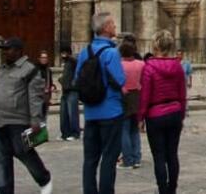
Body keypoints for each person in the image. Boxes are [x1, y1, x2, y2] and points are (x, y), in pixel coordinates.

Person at [0, 37, 51, 194]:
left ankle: (43, 178)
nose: (5, 53)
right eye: (3, 50)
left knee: (24, 152)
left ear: (18, 51)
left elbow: (35, 98)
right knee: (2, 157)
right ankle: (3, 189)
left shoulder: (29, 70)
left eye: (8, 49)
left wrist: (36, 121)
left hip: (18, 120)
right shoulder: (1, 70)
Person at [74, 12, 127, 194]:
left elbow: (77, 80)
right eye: (112, 24)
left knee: (90, 159)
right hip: (111, 112)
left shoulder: (85, 52)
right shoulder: (112, 52)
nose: (114, 26)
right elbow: (120, 80)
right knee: (109, 158)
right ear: (105, 28)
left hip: (91, 113)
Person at [138, 30, 186, 194]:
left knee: (159, 156)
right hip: (174, 112)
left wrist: (141, 117)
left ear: (155, 45)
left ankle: (163, 190)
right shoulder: (178, 66)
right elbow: (182, 94)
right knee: (172, 154)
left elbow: (145, 95)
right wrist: (181, 114)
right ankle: (172, 189)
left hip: (155, 114)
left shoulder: (149, 67)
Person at [117, 35, 144, 171]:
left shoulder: (119, 65)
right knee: (135, 130)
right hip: (137, 97)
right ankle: (137, 158)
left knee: (124, 130)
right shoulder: (141, 64)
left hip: (124, 97)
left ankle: (127, 159)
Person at [57, 45, 81, 142]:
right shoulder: (65, 63)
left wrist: (70, 57)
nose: (63, 55)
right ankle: (65, 133)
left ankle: (75, 133)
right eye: (62, 53)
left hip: (72, 90)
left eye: (65, 53)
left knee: (72, 113)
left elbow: (77, 65)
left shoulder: (72, 61)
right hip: (65, 90)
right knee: (64, 114)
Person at [36, 52, 53, 121]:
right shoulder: (36, 70)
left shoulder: (48, 70)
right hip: (38, 95)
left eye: (45, 58)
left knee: (44, 115)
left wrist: (52, 87)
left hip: (46, 96)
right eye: (42, 58)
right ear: (39, 59)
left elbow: (50, 82)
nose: (44, 59)